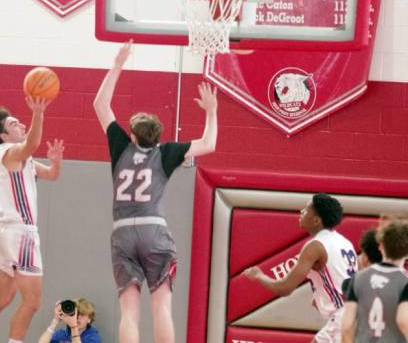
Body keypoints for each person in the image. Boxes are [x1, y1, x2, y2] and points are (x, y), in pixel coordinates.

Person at [92, 41, 218, 343]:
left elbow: (100, 104)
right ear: (158, 136)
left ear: (132, 134)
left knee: (129, 311)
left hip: (122, 233)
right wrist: (211, 112)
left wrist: (119, 63)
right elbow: (209, 143)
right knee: (161, 307)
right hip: (154, 231)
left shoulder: (120, 145)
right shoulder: (168, 152)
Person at [0, 97, 64, 343]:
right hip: (22, 235)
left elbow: (51, 176)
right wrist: (38, 114)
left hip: (8, 234)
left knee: (3, 296)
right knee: (32, 302)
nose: (20, 124)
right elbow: (31, 143)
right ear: (4, 136)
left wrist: (56, 163)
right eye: (14, 123)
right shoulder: (7, 153)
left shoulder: (20, 158)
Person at [244, 193, 357, 343]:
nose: (301, 211)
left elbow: (284, 288)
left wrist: (259, 276)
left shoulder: (315, 246)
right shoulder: (345, 242)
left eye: (306, 209)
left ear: (316, 220)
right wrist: (321, 297)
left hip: (344, 316)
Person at [341, 220, 408, 342]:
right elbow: (403, 320)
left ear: (381, 246)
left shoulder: (358, 279)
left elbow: (346, 327)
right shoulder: (404, 282)